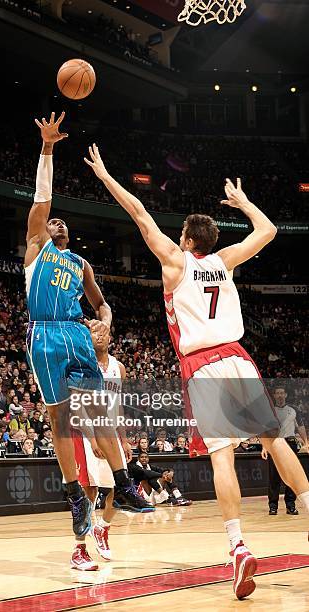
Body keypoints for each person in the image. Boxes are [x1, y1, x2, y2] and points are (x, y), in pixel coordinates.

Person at [85, 144, 309, 600]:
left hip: (203, 364)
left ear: (187, 239)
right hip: (238, 356)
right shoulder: (224, 261)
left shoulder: (176, 262)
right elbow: (266, 231)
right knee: (274, 440)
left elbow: (141, 213)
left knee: (222, 457)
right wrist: (243, 202)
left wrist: (106, 176)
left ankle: (238, 545)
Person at [24, 112, 149, 538]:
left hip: (77, 332)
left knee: (97, 414)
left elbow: (100, 302)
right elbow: (42, 199)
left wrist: (106, 321)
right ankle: (74, 492)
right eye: (50, 219)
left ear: (69, 234)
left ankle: (125, 482)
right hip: (44, 333)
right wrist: (47, 147)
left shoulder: (81, 264)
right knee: (61, 420)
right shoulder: (37, 249)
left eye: (60, 221)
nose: (54, 220)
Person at [69, 326, 145, 571]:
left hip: (111, 434)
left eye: (103, 332)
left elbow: (119, 407)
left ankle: (102, 528)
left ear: (111, 338)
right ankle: (79, 549)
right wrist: (92, 439)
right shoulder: (80, 365)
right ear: (86, 338)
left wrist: (123, 440)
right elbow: (76, 406)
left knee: (119, 490)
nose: (99, 335)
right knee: (88, 492)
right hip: (86, 434)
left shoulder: (118, 368)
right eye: (93, 332)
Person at [262, 385, 308, 516]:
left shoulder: (293, 410)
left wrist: (306, 442)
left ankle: (290, 505)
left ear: (286, 395)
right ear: (275, 396)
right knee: (273, 477)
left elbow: (300, 427)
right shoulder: (270, 410)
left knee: (292, 476)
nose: (280, 395)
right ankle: (273, 506)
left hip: (291, 443)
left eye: (282, 393)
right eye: (278, 393)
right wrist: (265, 446)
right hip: (274, 443)